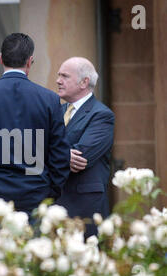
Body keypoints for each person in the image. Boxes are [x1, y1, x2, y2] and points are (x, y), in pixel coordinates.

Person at [0, 33, 70, 223]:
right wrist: (49, 193)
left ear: (1, 58)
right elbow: (60, 154)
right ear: (30, 61)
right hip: (35, 196)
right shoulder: (49, 100)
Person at [55, 57, 115, 237]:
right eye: (58, 75)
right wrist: (63, 155)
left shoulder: (101, 115)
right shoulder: (55, 112)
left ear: (84, 82)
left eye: (64, 76)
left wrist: (50, 153)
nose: (58, 80)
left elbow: (82, 156)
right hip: (54, 205)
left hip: (84, 207)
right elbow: (36, 147)